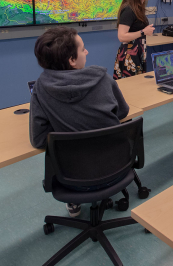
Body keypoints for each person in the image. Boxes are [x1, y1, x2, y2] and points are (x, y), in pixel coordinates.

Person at [30, 26, 130, 217]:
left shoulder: (41, 88)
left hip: (72, 180)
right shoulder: (103, 78)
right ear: (72, 61)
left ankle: (74, 202)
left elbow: (39, 139)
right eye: (83, 49)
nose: (87, 52)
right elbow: (123, 111)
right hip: (118, 169)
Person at [114, 0, 155, 79]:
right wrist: (143, 32)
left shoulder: (138, 8)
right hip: (129, 55)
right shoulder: (128, 9)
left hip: (138, 53)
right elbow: (122, 36)